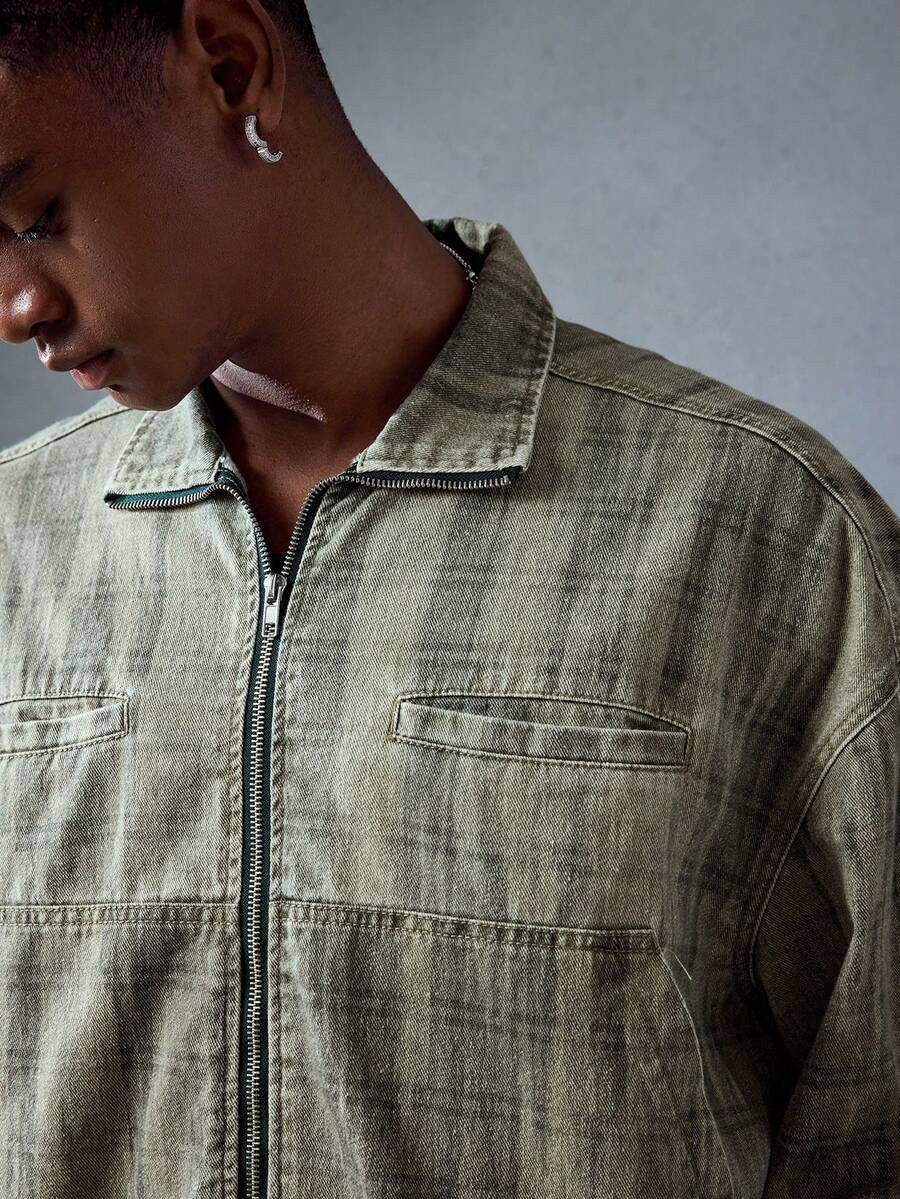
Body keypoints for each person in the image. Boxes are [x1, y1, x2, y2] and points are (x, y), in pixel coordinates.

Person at [0, 2, 896, 1197]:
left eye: (35, 216)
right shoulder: (12, 547)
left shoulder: (766, 539)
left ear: (230, 65)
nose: (13, 308)